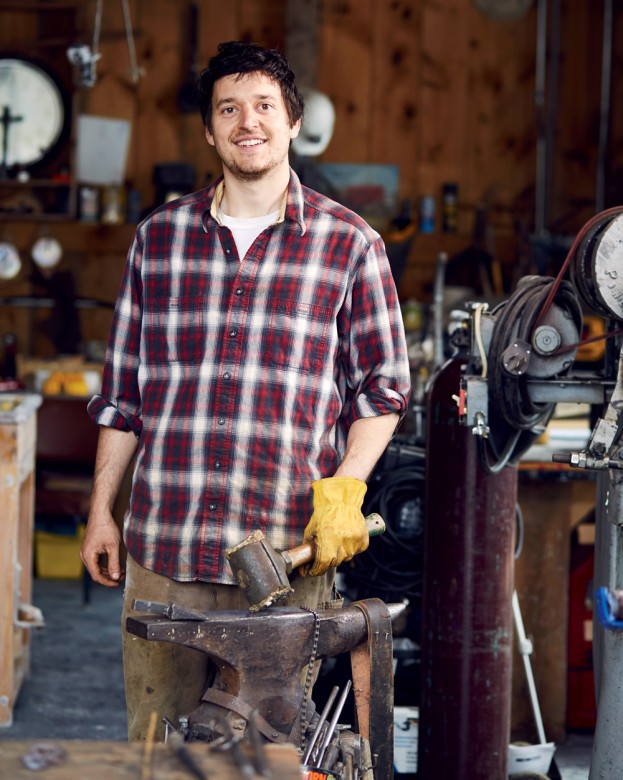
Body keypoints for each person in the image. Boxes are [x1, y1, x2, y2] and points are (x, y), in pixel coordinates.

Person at [80, 40, 411, 742]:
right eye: (228, 108)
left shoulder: (350, 244)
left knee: (268, 753)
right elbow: (122, 397)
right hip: (164, 552)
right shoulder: (158, 240)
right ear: (209, 130)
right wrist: (100, 513)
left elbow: (383, 388)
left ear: (291, 123)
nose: (247, 121)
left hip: (284, 555)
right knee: (157, 750)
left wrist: (345, 490)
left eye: (264, 106)